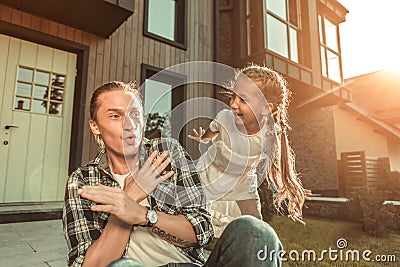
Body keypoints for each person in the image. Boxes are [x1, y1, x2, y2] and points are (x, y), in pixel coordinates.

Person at [62, 81, 283, 267]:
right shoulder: (83, 181)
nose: (129, 125)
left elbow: (202, 229)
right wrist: (126, 203)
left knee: (255, 233)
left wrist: (143, 214)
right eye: (115, 116)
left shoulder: (167, 153)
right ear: (95, 125)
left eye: (135, 114)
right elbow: (87, 264)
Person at [188, 65, 309, 237]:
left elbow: (276, 162)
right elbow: (212, 131)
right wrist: (203, 138)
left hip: (242, 181)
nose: (233, 103)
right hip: (212, 172)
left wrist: (288, 185)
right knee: (200, 214)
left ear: (266, 108)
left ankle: (256, 251)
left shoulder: (268, 134)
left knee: (255, 225)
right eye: (233, 96)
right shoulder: (224, 117)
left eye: (243, 100)